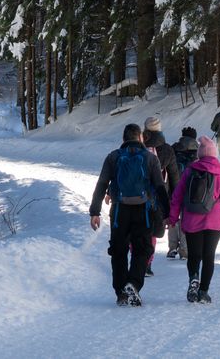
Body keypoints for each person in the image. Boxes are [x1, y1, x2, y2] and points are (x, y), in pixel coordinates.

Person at [89, 123, 167, 307]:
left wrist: (95, 211)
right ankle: (133, 284)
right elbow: (159, 187)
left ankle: (121, 292)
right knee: (142, 249)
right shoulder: (149, 158)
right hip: (143, 210)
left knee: (118, 251)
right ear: (140, 138)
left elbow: (101, 184)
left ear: (123, 139)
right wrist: (168, 213)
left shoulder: (113, 157)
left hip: (119, 211)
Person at [168, 136, 220, 304]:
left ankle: (194, 278)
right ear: (214, 154)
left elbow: (177, 196)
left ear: (200, 154)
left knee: (194, 255)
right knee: (209, 257)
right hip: (214, 222)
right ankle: (203, 291)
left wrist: (172, 218)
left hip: (192, 220)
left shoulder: (190, 170)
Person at [141, 117, 178, 276]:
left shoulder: (138, 147)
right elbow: (174, 177)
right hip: (158, 196)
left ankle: (139, 261)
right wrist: (174, 201)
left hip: (137, 195)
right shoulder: (168, 150)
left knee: (137, 229)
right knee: (152, 231)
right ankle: (147, 263)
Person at [168, 126, 200, 259]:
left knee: (173, 218)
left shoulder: (174, 148)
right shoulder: (198, 151)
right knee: (187, 218)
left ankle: (172, 247)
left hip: (174, 188)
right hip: (191, 190)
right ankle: (184, 250)